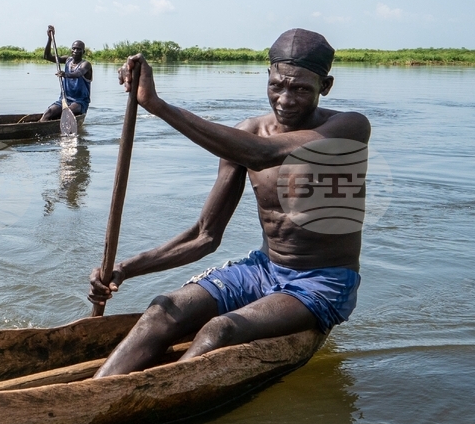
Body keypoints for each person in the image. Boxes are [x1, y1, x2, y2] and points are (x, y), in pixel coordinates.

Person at [90, 29, 370, 378]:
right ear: (266, 78)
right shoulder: (248, 132)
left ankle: (160, 396)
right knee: (161, 310)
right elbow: (205, 235)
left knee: (219, 330)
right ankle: (95, 389)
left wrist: (157, 106)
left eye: (301, 89)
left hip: (323, 281)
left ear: (325, 86)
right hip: (263, 269)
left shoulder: (349, 128)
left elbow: (264, 154)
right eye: (277, 86)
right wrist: (126, 269)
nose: (285, 99)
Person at [40, 25, 92, 121]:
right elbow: (47, 56)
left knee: (67, 112)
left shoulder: (86, 64)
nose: (75, 51)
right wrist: (49, 38)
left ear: (83, 51)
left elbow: (78, 73)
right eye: (74, 48)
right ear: (71, 50)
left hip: (80, 102)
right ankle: (40, 127)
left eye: (79, 49)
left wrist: (65, 74)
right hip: (64, 99)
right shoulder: (67, 60)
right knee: (48, 113)